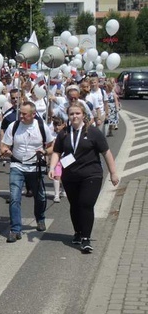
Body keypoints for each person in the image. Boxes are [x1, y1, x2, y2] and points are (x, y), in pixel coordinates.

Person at [49, 102, 119, 253]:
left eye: (77, 113)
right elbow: (56, 152)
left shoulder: (93, 132)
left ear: (83, 115)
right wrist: (52, 167)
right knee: (75, 205)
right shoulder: (64, 133)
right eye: (71, 114)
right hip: (70, 176)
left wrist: (113, 173)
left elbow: (106, 152)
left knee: (85, 204)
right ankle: (78, 232)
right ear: (68, 116)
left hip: (91, 174)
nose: (74, 116)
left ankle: (86, 239)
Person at [0, 102, 54, 242]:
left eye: (24, 114)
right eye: (20, 113)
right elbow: (4, 145)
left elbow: (52, 146)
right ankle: (15, 229)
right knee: (14, 198)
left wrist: (44, 151)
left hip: (36, 167)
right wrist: (5, 151)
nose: (21, 116)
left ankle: (40, 218)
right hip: (17, 166)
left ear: (33, 114)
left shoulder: (41, 127)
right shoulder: (14, 126)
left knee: (40, 196)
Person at [49, 117, 67, 202]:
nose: (57, 127)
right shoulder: (52, 135)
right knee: (57, 175)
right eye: (55, 125)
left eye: (59, 125)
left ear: (64, 125)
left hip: (67, 157)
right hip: (57, 158)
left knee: (65, 175)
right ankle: (56, 195)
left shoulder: (67, 134)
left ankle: (64, 190)